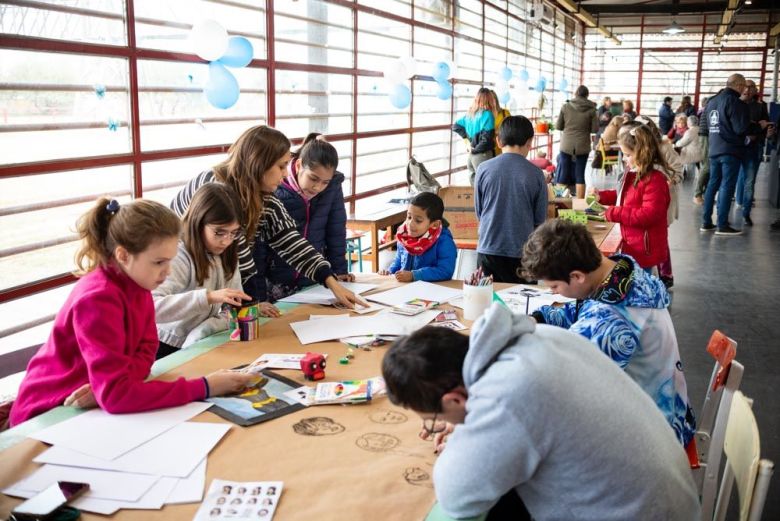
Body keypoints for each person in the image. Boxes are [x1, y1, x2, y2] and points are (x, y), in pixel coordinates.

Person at [381, 306, 700, 521]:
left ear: (453, 399)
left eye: (435, 418)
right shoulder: (540, 338)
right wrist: (476, 421)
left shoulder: (507, 395)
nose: (440, 425)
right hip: (665, 498)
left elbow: (456, 494)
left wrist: (471, 430)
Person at [9, 198, 255, 426]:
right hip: (48, 412)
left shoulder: (140, 283)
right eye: (159, 262)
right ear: (123, 255)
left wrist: (112, 387)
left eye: (169, 260)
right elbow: (117, 397)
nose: (167, 272)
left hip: (94, 401)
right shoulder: (98, 299)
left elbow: (147, 350)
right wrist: (205, 386)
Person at [521, 219, 696, 446]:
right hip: (668, 412)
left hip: (652, 439)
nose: (553, 292)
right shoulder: (622, 272)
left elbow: (565, 381)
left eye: (554, 287)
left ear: (577, 276)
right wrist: (537, 319)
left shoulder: (612, 320)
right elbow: (580, 311)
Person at [171, 125, 367, 308]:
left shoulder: (262, 196)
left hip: (213, 282)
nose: (284, 175)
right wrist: (255, 301)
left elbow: (291, 240)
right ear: (260, 163)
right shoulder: (217, 187)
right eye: (281, 166)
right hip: (183, 278)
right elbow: (240, 255)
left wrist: (331, 280)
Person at [153, 184, 253, 357]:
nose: (226, 241)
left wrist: (205, 329)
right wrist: (207, 297)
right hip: (165, 344)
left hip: (200, 340)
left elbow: (233, 303)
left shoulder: (227, 252)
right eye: (219, 232)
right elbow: (152, 308)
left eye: (234, 233)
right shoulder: (177, 254)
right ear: (198, 222)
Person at [255, 133, 352, 301]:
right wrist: (257, 294)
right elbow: (258, 249)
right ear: (299, 165)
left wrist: (336, 272)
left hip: (312, 278)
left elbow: (334, 231)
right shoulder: (271, 191)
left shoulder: (333, 187)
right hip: (274, 279)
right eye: (313, 178)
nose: (317, 187)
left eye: (325, 182)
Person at [475, 116, 547, 283]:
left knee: (487, 301)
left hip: (488, 248)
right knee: (522, 303)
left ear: (498, 141)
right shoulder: (536, 174)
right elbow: (539, 220)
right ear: (530, 142)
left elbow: (480, 212)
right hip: (523, 253)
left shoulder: (483, 169)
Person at [600, 124, 671, 272]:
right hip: (633, 244)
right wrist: (601, 196)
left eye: (627, 155)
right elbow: (624, 196)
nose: (624, 159)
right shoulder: (634, 173)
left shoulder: (655, 180)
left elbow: (649, 215)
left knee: (639, 288)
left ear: (642, 153)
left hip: (644, 249)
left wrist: (614, 213)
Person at [700, 74, 752, 236]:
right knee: (727, 186)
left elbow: (708, 126)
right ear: (737, 85)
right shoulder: (734, 102)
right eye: (744, 85)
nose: (745, 89)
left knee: (712, 185)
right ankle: (722, 225)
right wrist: (755, 129)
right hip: (730, 150)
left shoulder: (712, 101)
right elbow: (740, 129)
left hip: (714, 149)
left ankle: (706, 222)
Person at [379, 192, 456, 282]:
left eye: (418, 220)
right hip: (407, 287)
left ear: (435, 224)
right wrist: (389, 272)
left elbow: (445, 271)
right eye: (409, 217)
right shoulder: (404, 237)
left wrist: (414, 275)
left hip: (432, 290)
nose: (410, 224)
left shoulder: (444, 242)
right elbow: (398, 261)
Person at [735, 79, 770, 226]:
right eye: (746, 87)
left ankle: (746, 212)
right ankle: (738, 200)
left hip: (754, 148)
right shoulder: (735, 104)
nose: (748, 90)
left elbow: (766, 128)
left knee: (749, 181)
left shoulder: (761, 107)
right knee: (738, 178)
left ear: (755, 90)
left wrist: (757, 135)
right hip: (737, 147)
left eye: (752, 87)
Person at [555, 85, 598, 199]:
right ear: (587, 95)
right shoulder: (592, 109)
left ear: (575, 94)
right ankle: (579, 205)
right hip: (582, 145)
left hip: (566, 144)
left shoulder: (566, 106)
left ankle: (558, 202)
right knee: (580, 175)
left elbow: (558, 126)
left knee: (563, 173)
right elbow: (595, 129)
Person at [452, 87, 496, 186]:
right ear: (490, 100)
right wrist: (475, 150)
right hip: (482, 155)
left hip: (471, 157)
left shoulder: (470, 114)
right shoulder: (488, 115)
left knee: (474, 189)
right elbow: (486, 141)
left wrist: (467, 141)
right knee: (486, 187)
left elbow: (455, 126)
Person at [693, 98, 711, 205]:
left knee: (706, 167)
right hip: (705, 137)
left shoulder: (702, 112)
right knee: (706, 167)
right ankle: (697, 194)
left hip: (706, 138)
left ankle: (702, 193)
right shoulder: (706, 112)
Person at [490, 90, 511, 157]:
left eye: (492, 99)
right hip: (488, 152)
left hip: (504, 150)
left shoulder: (505, 113)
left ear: (496, 100)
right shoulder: (484, 116)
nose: (490, 102)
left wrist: (498, 131)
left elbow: (511, 129)